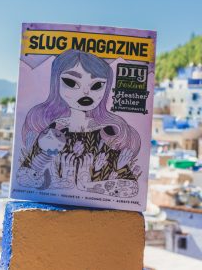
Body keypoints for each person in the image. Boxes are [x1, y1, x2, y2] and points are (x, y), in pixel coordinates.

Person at [18, 49, 140, 197]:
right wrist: (53, 174)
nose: (86, 92)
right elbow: (23, 180)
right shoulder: (52, 131)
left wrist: (89, 185)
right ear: (56, 84)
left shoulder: (105, 133)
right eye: (71, 82)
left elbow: (131, 188)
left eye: (97, 85)